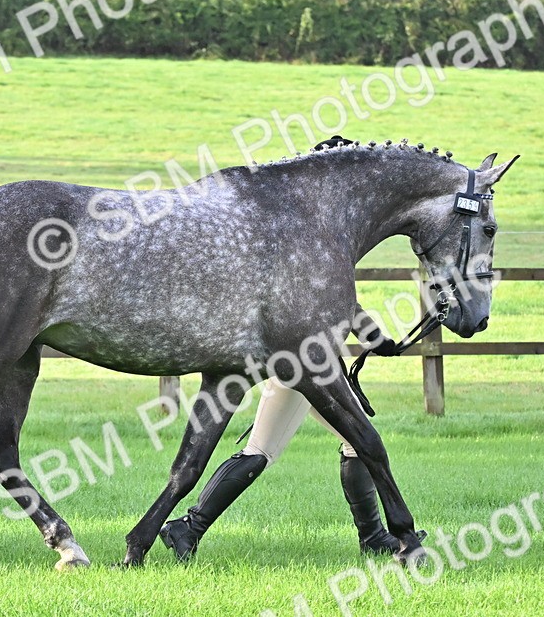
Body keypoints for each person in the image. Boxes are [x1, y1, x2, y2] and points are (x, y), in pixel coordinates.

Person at [159, 137, 424, 561]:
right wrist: (378, 339)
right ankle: (375, 537)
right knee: (355, 442)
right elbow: (340, 310)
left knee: (260, 451)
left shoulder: (309, 235)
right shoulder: (313, 236)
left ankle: (187, 528)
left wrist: (380, 340)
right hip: (308, 365)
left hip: (301, 362)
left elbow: (349, 309)